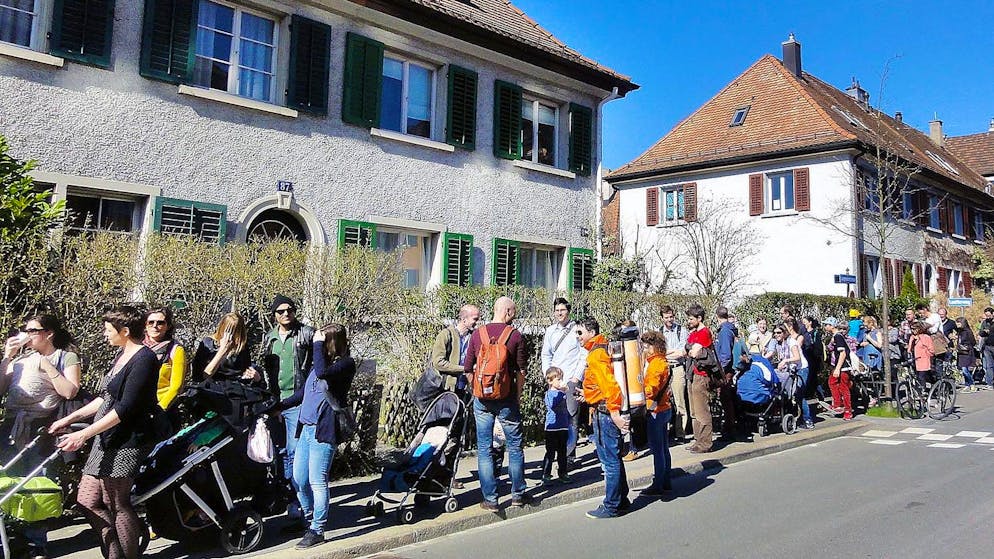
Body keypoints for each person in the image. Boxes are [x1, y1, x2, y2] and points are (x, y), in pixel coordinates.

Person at [50, 306, 159, 559]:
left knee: (116, 502)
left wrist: (83, 434)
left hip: (126, 440)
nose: (104, 334)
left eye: (108, 330)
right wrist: (69, 419)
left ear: (125, 331)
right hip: (106, 438)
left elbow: (125, 408)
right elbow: (106, 398)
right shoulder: (121, 355)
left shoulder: (144, 359)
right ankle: (114, 552)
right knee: (86, 500)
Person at [0, 315, 81, 559]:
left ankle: (36, 542)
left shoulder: (65, 357)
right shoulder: (20, 359)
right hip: (12, 427)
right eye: (25, 330)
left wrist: (45, 365)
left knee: (38, 484)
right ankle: (10, 537)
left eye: (33, 330)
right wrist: (7, 357)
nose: (27, 335)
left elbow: (70, 391)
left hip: (42, 429)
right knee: (8, 483)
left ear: (49, 333)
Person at [276, 323, 355, 549]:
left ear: (331, 342)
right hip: (307, 429)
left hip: (324, 430)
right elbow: (303, 393)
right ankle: (309, 518)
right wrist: (278, 406)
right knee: (299, 479)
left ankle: (317, 529)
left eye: (321, 341)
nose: (315, 345)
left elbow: (322, 374)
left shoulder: (345, 364)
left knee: (317, 481)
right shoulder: (320, 364)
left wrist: (317, 344)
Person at [463, 297, 530, 511]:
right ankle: (518, 495)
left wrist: (477, 388)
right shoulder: (515, 335)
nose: (514, 317)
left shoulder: (477, 334)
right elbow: (521, 371)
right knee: (515, 447)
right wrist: (517, 395)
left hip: (482, 400)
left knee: (484, 449)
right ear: (507, 312)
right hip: (506, 398)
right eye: (514, 313)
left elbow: (467, 368)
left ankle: (491, 499)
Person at [260, 295, 314, 526]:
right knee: (279, 452)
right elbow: (265, 368)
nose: (286, 314)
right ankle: (289, 496)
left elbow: (315, 365)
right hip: (275, 402)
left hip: (297, 401)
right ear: (274, 315)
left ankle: (297, 502)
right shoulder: (269, 338)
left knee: (294, 451)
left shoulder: (306, 334)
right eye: (280, 311)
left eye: (289, 310)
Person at [579, 317, 630, 518]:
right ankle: (621, 500)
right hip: (604, 409)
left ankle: (612, 505)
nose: (578, 337)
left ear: (591, 332)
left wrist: (615, 413)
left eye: (580, 333)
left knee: (609, 460)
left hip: (605, 412)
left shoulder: (596, 355)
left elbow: (610, 386)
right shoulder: (602, 348)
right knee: (614, 457)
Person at [191, 312, 261, 424]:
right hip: (212, 393)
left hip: (234, 395)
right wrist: (222, 350)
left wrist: (253, 376)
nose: (231, 336)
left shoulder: (241, 348)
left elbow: (244, 371)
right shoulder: (208, 344)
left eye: (235, 332)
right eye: (228, 331)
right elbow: (203, 375)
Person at [540, 298, 585, 461]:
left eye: (562, 310)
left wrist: (576, 377)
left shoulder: (576, 330)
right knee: (555, 416)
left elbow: (583, 354)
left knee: (571, 417)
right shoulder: (550, 331)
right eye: (557, 310)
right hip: (555, 381)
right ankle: (558, 453)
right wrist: (548, 374)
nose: (559, 313)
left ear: (568, 311)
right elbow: (546, 354)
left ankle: (568, 455)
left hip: (571, 380)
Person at [639, 330, 672, 498]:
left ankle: (658, 484)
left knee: (657, 449)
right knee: (664, 448)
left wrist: (639, 390)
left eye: (646, 346)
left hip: (655, 410)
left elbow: (651, 389)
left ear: (654, 346)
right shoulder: (662, 361)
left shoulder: (655, 364)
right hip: (664, 407)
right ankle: (666, 480)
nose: (645, 349)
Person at [431, 304, 481, 398]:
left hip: (465, 389)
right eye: (475, 319)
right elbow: (438, 362)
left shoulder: (474, 337)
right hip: (446, 389)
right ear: (464, 319)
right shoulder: (446, 335)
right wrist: (464, 369)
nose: (477, 323)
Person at [144, 307, 186, 410]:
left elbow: (176, 387)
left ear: (168, 326)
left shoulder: (176, 350)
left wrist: (160, 409)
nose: (155, 326)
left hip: (159, 406)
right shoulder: (136, 346)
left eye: (160, 323)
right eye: (151, 322)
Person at [685, 304, 714, 453]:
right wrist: (690, 349)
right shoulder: (694, 333)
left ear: (699, 318)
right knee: (694, 411)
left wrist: (690, 349)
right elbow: (688, 348)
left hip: (701, 375)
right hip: (692, 374)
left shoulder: (704, 333)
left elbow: (694, 352)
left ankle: (705, 443)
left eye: (691, 319)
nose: (689, 321)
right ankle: (698, 440)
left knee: (702, 410)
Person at [660, 305, 690, 443]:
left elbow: (682, 352)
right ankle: (664, 433)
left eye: (671, 317)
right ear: (662, 318)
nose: (669, 319)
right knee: (664, 401)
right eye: (666, 317)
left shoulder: (681, 331)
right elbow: (660, 353)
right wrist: (671, 352)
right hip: (665, 368)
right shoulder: (659, 332)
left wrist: (668, 353)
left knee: (680, 402)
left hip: (678, 368)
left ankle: (680, 433)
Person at [540, 367, 571, 486]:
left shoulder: (562, 393)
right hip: (552, 428)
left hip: (563, 427)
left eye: (561, 379)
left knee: (562, 452)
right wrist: (562, 392)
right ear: (550, 381)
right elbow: (552, 404)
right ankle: (546, 474)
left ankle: (563, 473)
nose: (561, 381)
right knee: (550, 452)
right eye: (558, 379)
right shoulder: (549, 394)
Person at [783, 318, 814, 429]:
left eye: (783, 329)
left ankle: (808, 420)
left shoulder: (792, 341)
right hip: (794, 369)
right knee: (793, 393)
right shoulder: (787, 340)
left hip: (802, 369)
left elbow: (797, 357)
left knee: (799, 393)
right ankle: (798, 418)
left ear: (790, 327)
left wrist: (785, 361)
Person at [714, 306, 738, 440]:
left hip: (725, 371)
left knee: (725, 398)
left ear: (717, 316)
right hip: (727, 370)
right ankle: (729, 427)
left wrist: (720, 371)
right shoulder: (729, 329)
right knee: (727, 399)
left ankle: (729, 429)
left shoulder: (724, 331)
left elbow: (726, 355)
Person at [823, 317, 853, 421]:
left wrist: (838, 368)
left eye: (826, 325)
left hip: (843, 367)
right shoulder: (836, 336)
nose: (825, 327)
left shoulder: (838, 337)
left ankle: (847, 410)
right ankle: (838, 404)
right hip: (840, 366)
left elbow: (843, 353)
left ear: (832, 326)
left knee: (843, 387)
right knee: (833, 382)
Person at [801, 316, 823, 399]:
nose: (803, 324)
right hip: (806, 357)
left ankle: (817, 395)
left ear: (810, 322)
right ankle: (815, 394)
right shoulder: (803, 334)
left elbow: (818, 346)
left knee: (813, 377)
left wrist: (816, 357)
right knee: (811, 377)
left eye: (805, 322)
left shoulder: (815, 333)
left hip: (813, 358)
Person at [954, 317, 977, 392]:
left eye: (959, 323)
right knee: (964, 369)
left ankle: (972, 383)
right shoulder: (959, 331)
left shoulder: (967, 331)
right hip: (961, 352)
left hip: (967, 351)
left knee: (965, 369)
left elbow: (973, 342)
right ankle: (967, 384)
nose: (957, 324)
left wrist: (967, 345)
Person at [908, 321, 935, 387]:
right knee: (916, 377)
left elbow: (931, 350)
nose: (912, 330)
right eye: (911, 329)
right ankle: (920, 389)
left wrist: (926, 355)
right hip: (914, 360)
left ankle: (924, 389)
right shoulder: (912, 337)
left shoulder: (925, 337)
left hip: (923, 360)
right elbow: (910, 348)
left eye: (914, 329)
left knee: (922, 377)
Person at [978, 307, 994, 389]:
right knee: (989, 365)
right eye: (986, 315)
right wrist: (984, 332)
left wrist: (990, 331)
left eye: (989, 315)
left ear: (993, 314)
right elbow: (980, 333)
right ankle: (990, 383)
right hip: (987, 346)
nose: (988, 317)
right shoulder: (985, 322)